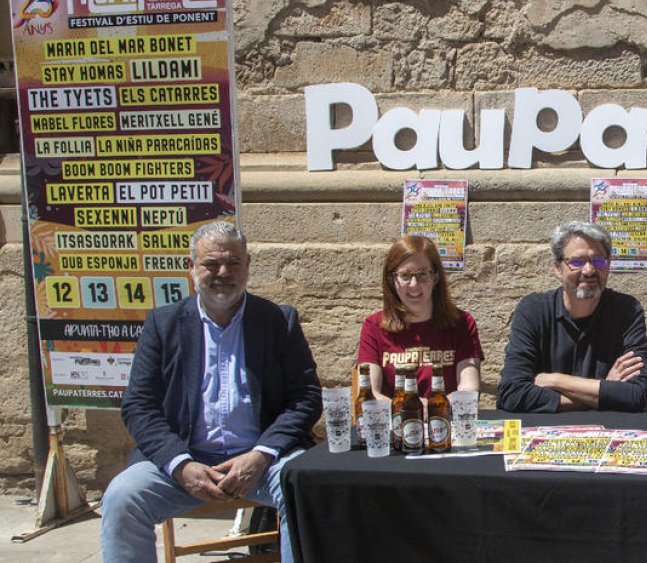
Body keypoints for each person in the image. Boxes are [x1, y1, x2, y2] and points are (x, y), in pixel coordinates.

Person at [100, 221, 321, 563]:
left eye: (233, 263)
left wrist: (262, 453)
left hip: (262, 462)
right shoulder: (163, 324)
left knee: (303, 488)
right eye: (211, 264)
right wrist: (180, 464)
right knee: (121, 497)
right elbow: (139, 406)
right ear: (191, 268)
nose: (223, 272)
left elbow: (306, 396)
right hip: (184, 461)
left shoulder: (278, 321)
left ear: (248, 265)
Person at [497, 221, 647, 412]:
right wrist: (603, 389)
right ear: (558, 268)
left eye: (598, 261)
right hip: (548, 435)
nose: (589, 271)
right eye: (577, 262)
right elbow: (511, 394)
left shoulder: (627, 310)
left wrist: (555, 379)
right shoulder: (533, 310)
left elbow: (637, 394)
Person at [358, 235, 483, 399]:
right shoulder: (373, 326)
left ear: (436, 277)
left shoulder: (463, 324)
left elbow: (469, 388)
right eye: (405, 275)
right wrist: (410, 409)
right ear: (391, 279)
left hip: (446, 420)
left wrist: (434, 407)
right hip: (395, 422)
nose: (414, 285)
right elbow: (369, 393)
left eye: (423, 274)